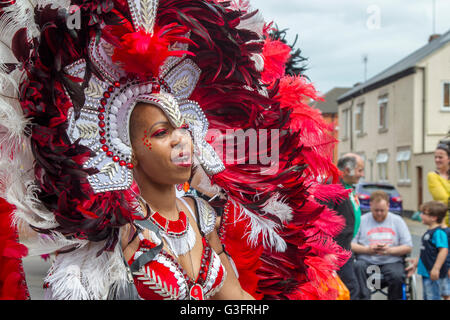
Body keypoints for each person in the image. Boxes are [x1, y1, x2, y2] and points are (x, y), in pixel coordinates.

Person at [0, 0, 350, 300]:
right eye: (162, 132)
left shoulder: (202, 214)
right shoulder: (118, 232)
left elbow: (236, 296)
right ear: (128, 149)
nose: (182, 140)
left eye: (184, 127)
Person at [352, 190, 413, 300]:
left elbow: (408, 246)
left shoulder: (397, 221)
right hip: (367, 261)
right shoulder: (362, 220)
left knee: (397, 276)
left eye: (382, 210)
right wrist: (368, 250)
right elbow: (351, 245)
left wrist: (389, 250)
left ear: (388, 206)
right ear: (370, 206)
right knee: (357, 267)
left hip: (391, 261)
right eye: (376, 210)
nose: (379, 213)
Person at [329, 153, 364, 299]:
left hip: (346, 248)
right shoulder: (333, 188)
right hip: (336, 251)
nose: (362, 174)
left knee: (351, 288)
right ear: (348, 170)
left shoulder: (348, 187)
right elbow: (323, 220)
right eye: (360, 170)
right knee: (350, 288)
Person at [406, 201, 449, 300]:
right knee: (428, 297)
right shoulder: (428, 232)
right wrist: (416, 263)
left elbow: (443, 251)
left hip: (432, 273)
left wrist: (436, 268)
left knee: (433, 297)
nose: (421, 215)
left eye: (424, 213)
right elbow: (424, 251)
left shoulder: (438, 233)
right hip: (426, 272)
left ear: (433, 217)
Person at [427, 142, 450, 227]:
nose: (437, 160)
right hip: (442, 226)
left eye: (440, 157)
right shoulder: (433, 176)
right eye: (435, 157)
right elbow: (443, 198)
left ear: (449, 159)